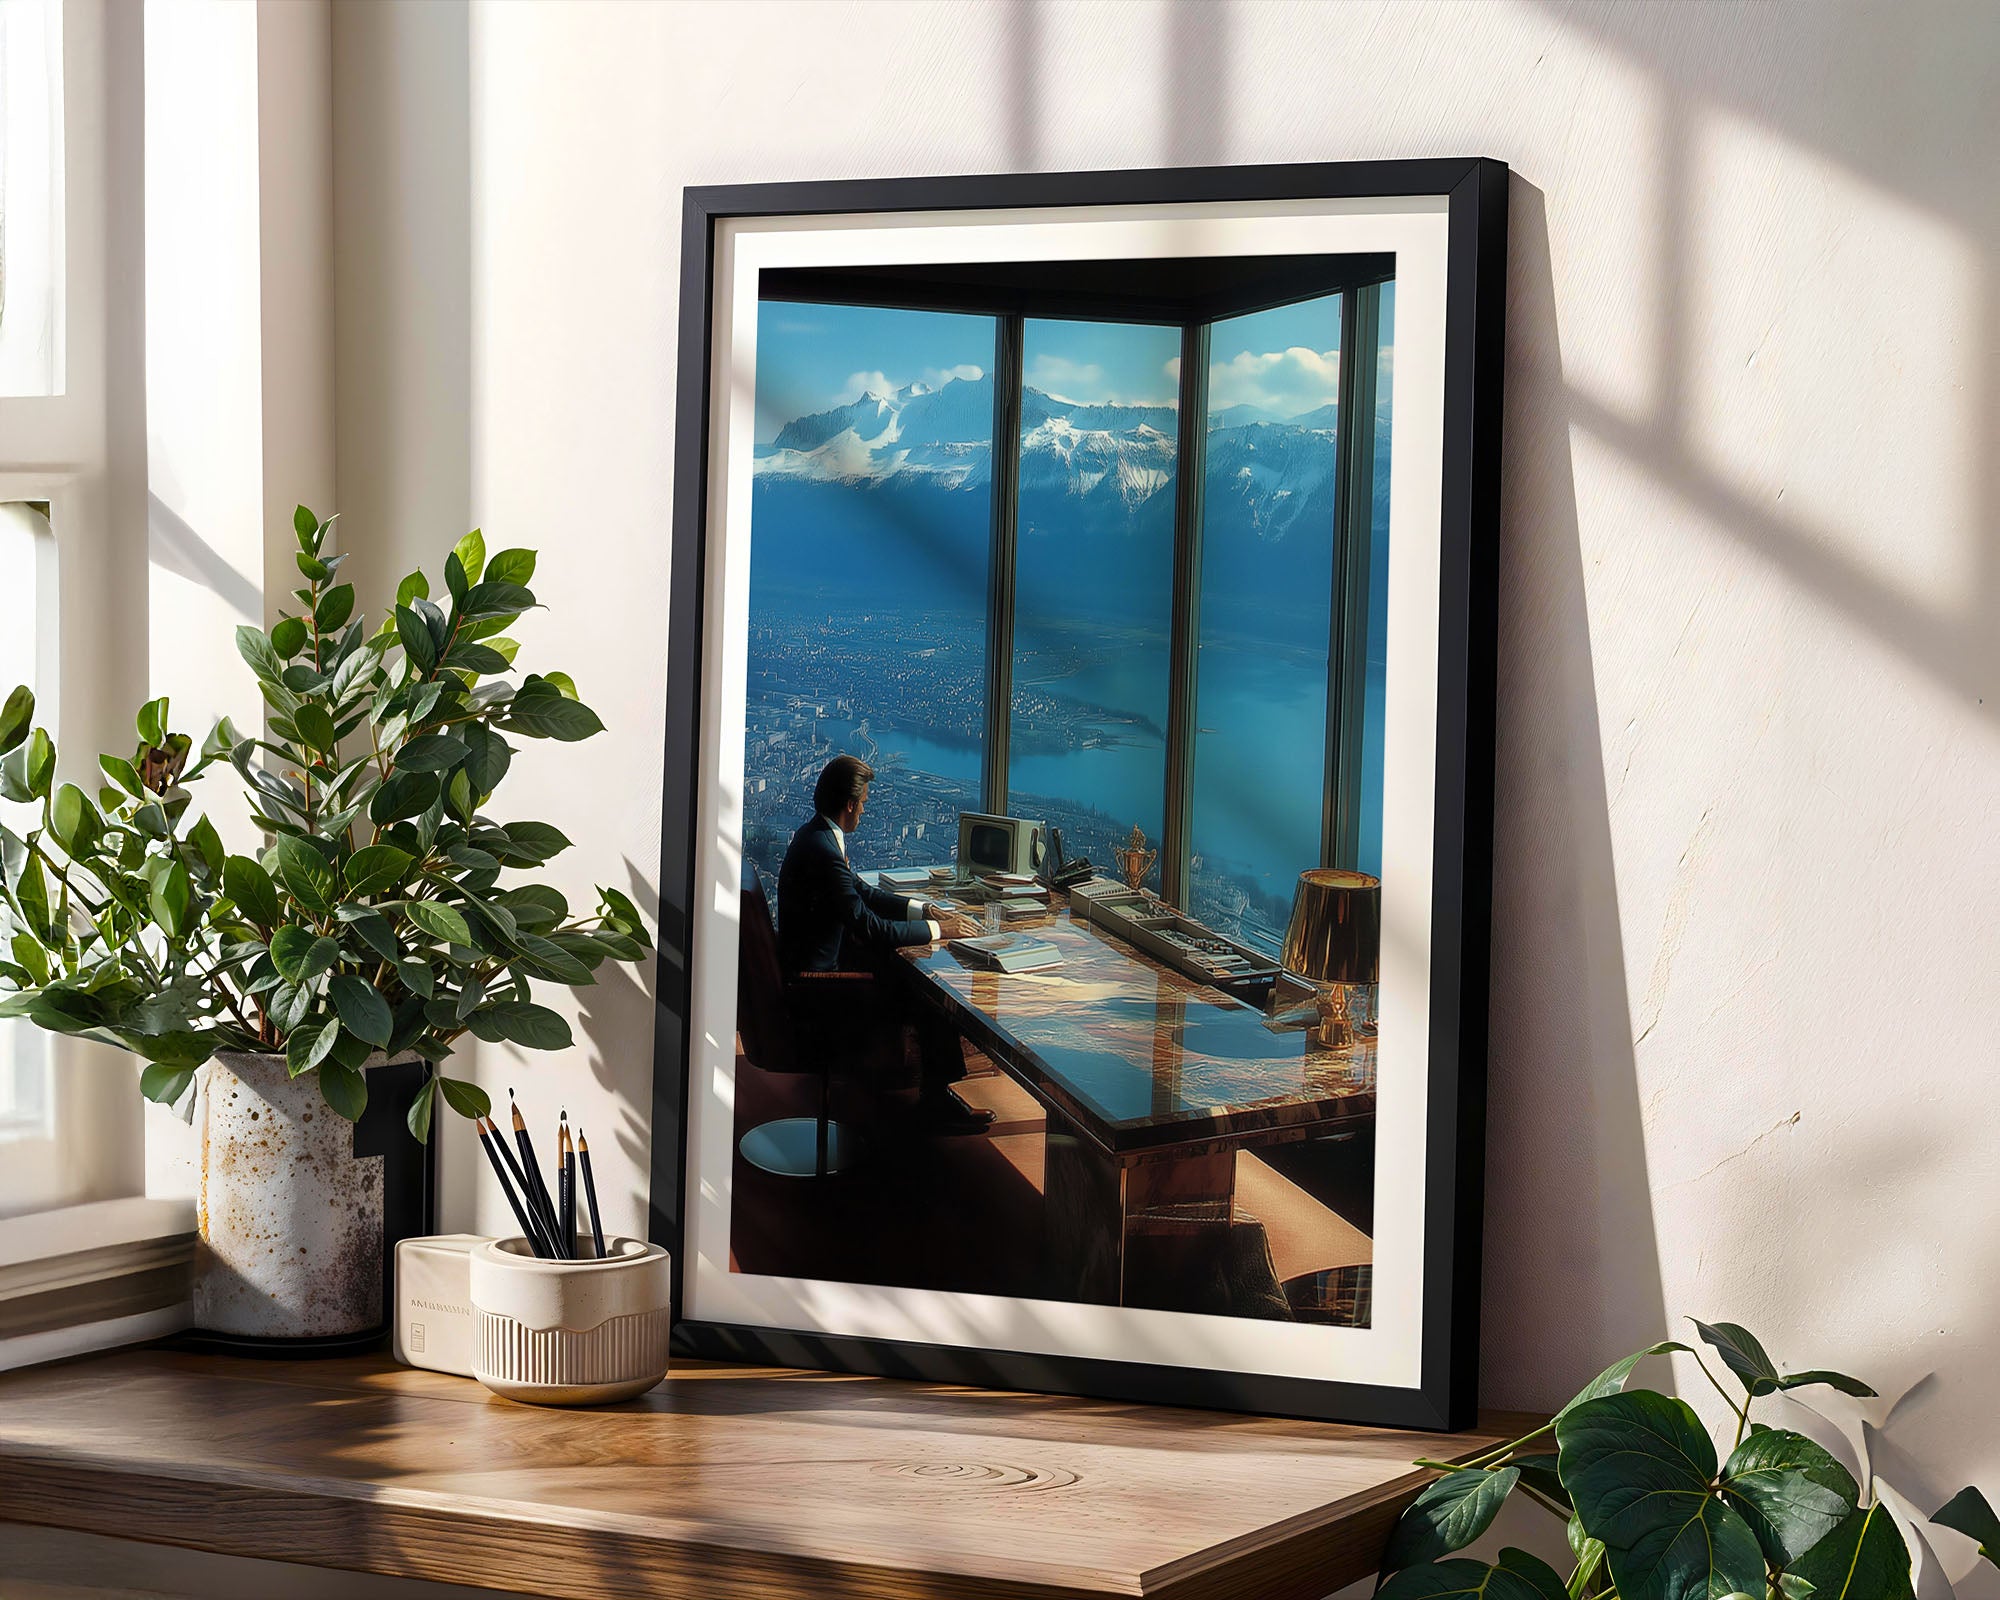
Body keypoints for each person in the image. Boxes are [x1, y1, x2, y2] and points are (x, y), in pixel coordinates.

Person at [777, 755, 993, 1134]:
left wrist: (924, 910)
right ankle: (936, 1101)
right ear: (849, 805)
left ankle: (926, 1092)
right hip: (818, 990)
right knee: (931, 996)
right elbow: (872, 926)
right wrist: (941, 930)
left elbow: (863, 893)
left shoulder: (814, 836)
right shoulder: (825, 852)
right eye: (863, 803)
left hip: (811, 975)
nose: (865, 810)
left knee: (903, 976)